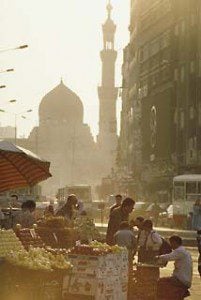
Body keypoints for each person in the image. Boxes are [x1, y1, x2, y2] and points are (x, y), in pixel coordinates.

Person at [157, 235, 192, 300]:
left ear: (175, 242)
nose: (171, 245)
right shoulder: (184, 251)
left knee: (160, 282)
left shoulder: (180, 251)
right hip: (184, 279)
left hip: (180, 279)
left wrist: (158, 257)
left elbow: (169, 257)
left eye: (171, 243)